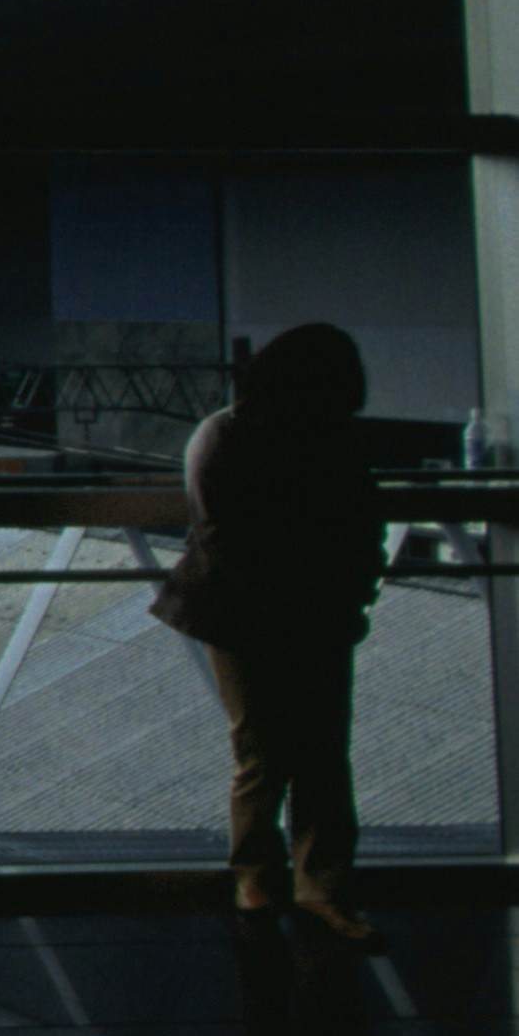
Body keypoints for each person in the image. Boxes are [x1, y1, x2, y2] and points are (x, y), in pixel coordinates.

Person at [153, 323, 388, 949]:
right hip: (315, 612)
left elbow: (220, 532)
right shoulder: (334, 439)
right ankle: (324, 891)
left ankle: (256, 882)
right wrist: (352, 593)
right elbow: (363, 524)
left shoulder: (223, 435)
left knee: (260, 751)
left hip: (241, 612)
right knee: (320, 756)